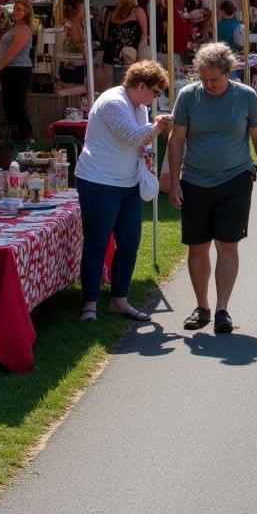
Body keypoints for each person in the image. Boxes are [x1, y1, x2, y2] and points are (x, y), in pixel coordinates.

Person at [168, 42, 257, 334]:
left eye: (214, 79)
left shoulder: (245, 97)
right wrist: (175, 180)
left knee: (227, 244)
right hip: (195, 181)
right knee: (198, 246)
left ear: (229, 72)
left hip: (235, 179)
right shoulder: (188, 97)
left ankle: (222, 309)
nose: (208, 84)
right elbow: (176, 140)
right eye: (203, 79)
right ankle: (201, 306)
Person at [75, 60, 172, 322]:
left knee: (130, 243)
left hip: (127, 184)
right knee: (96, 244)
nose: (156, 98)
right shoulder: (112, 102)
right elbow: (133, 137)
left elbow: (139, 139)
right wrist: (158, 126)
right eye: (155, 92)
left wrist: (154, 128)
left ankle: (119, 300)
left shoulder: (137, 106)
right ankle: (90, 304)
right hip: (99, 182)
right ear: (141, 85)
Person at [0, 0, 34, 144]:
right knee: (9, 105)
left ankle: (27, 134)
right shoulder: (14, 28)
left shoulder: (24, 30)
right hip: (9, 70)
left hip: (19, 70)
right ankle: (15, 137)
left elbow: (12, 52)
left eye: (20, 10)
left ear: (27, 12)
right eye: (15, 9)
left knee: (16, 105)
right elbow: (4, 49)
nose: (16, 12)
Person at [103, 0, 148, 70]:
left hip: (130, 59)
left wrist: (140, 58)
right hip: (111, 58)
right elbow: (106, 36)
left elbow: (144, 36)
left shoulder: (138, 11)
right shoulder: (112, 12)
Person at [59, 0, 87, 87]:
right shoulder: (73, 24)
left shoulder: (77, 22)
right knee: (76, 93)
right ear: (76, 9)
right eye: (83, 5)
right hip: (73, 66)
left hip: (74, 65)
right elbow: (78, 42)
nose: (86, 8)